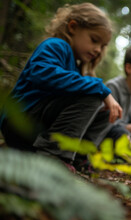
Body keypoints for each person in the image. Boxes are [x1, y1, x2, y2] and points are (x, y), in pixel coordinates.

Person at [0, 3, 122, 167]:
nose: (98, 50)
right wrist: (101, 88)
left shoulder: (75, 66)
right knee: (92, 94)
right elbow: (41, 73)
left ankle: (79, 157)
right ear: (73, 27)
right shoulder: (55, 45)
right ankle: (53, 156)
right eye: (94, 40)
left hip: (39, 125)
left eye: (102, 46)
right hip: (20, 122)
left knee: (105, 111)